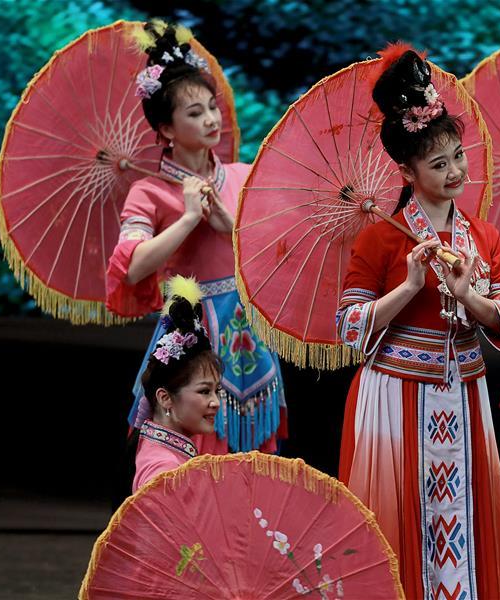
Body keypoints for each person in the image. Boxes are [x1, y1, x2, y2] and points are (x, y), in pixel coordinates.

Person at [336, 44, 500, 598]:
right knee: (399, 522)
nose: (455, 172)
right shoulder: (381, 236)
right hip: (393, 397)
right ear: (406, 171)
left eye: (457, 157)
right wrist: (409, 287)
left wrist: (471, 296)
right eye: (438, 164)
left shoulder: (483, 237)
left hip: (464, 395)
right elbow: (349, 327)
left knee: (461, 520)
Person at [106, 21, 284, 456]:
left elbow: (279, 253)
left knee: (253, 456)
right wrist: (187, 219)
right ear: (166, 129)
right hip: (192, 328)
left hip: (248, 330)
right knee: (196, 453)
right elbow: (131, 266)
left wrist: (232, 228)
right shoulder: (148, 191)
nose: (210, 119)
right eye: (194, 113)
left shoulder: (244, 178)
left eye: (211, 107)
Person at [133, 276, 222, 491]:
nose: (216, 402)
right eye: (204, 391)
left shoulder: (168, 458)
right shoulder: (165, 470)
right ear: (165, 398)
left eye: (217, 391)